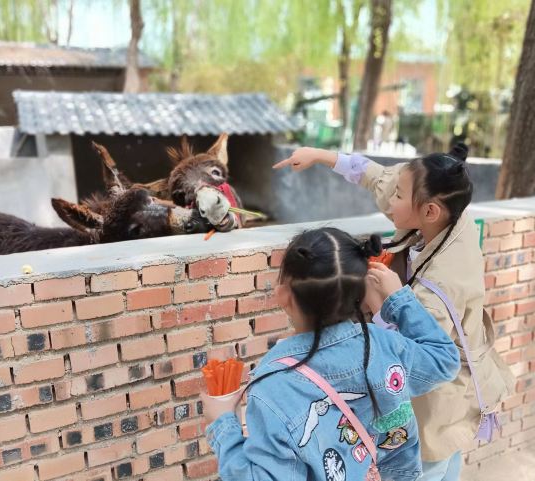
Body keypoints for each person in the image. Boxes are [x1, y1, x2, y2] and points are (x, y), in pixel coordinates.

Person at [273, 144, 515, 481]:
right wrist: (320, 156)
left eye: (399, 195)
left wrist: (384, 303)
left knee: (432, 464)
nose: (389, 201)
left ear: (429, 211)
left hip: (433, 409)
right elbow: (378, 178)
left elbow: (419, 355)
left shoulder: (440, 285)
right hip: (448, 403)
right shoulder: (448, 214)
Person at [202, 227, 460, 481]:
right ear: (359, 292)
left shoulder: (272, 387)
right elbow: (443, 359)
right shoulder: (384, 345)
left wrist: (224, 424)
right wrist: (398, 298)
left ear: (283, 296)